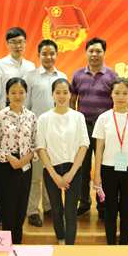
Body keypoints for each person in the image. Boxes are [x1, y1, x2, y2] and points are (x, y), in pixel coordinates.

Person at [37, 79, 89, 245]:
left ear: (70, 95)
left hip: (73, 169)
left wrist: (71, 174)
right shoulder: (44, 118)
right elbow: (41, 148)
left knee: (71, 211)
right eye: (58, 92)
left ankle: (70, 245)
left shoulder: (78, 117)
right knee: (56, 209)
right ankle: (60, 239)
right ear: (52, 95)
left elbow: (83, 145)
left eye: (65, 92)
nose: (61, 96)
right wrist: (55, 176)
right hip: (51, 170)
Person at [93, 78, 128, 245]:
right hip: (108, 169)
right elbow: (99, 149)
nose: (121, 97)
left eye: (124, 93)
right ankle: (110, 244)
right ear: (111, 95)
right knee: (110, 209)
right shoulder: (103, 118)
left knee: (126, 209)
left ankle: (123, 244)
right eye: (117, 93)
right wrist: (97, 175)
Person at [70, 37, 117, 218]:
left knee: (103, 167)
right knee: (82, 166)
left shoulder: (112, 76)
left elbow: (116, 101)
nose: (94, 54)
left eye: (98, 51)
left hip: (105, 129)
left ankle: (102, 203)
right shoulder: (77, 75)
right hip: (83, 127)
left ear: (104, 53)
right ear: (86, 53)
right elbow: (73, 100)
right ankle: (84, 202)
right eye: (91, 51)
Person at [0, 78, 37, 244]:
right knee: (7, 209)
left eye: (21, 92)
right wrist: (10, 158)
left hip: (26, 166)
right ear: (7, 94)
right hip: (5, 166)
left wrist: (24, 160)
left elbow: (35, 144)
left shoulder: (31, 117)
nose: (17, 96)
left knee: (21, 208)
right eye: (13, 92)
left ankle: (17, 244)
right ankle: (7, 246)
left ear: (26, 94)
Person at [24, 39, 66, 227]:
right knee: (35, 175)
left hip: (56, 134)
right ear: (39, 55)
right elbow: (26, 106)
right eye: (44, 54)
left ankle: (50, 207)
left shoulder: (62, 76)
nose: (48, 57)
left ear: (57, 55)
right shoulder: (30, 76)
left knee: (52, 171)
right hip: (36, 133)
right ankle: (33, 210)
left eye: (52, 53)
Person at [0, 27, 35, 114]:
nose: (17, 46)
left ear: (25, 43)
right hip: (5, 114)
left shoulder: (31, 66)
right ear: (7, 44)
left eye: (20, 42)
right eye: (13, 42)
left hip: (26, 116)